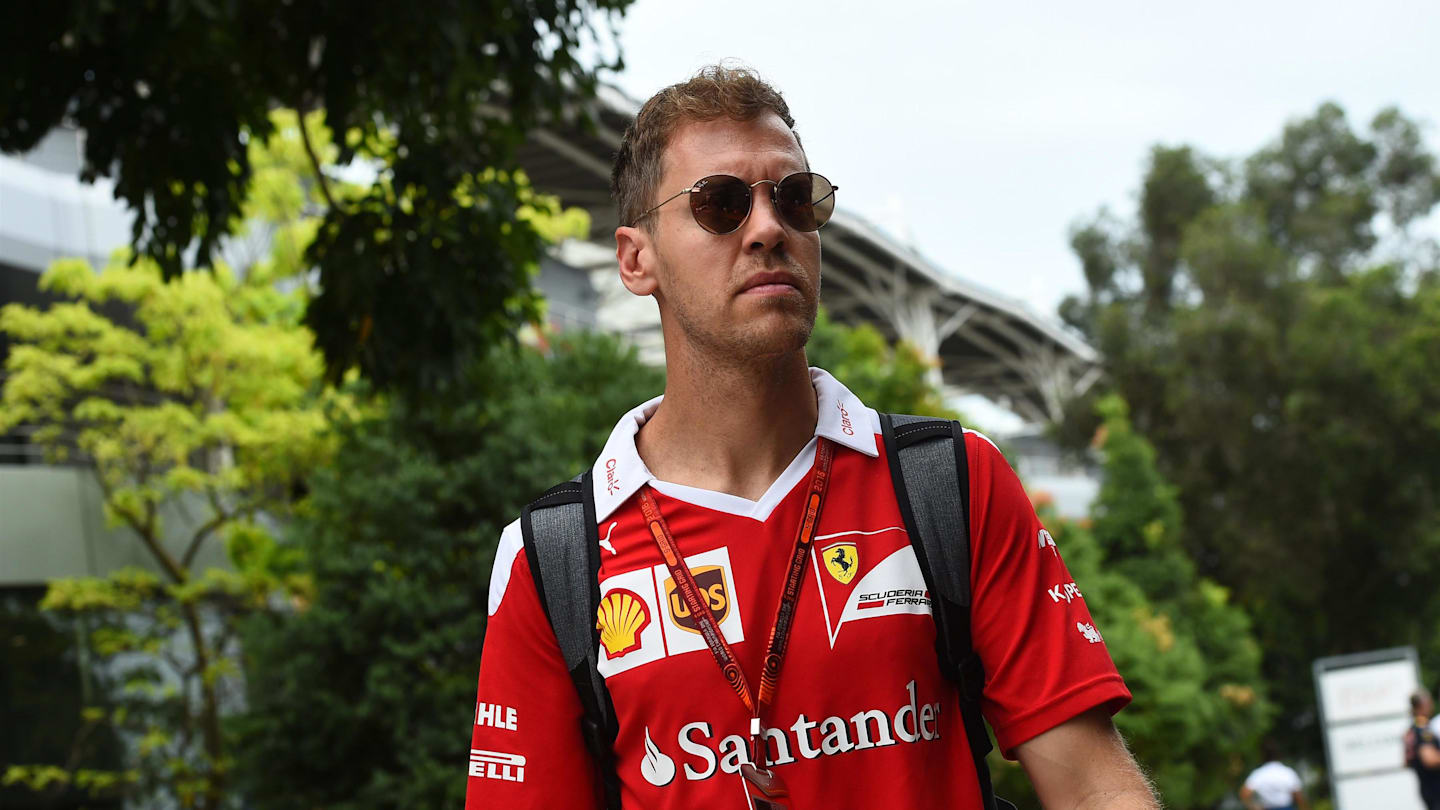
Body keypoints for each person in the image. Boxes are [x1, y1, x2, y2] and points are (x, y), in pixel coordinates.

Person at [464, 65, 1158, 809]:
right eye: (720, 204)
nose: (768, 228)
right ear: (636, 260)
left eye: (796, 198)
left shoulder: (953, 483)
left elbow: (1092, 789)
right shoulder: (552, 559)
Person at [1238, 739, 1308, 810]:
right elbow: (1298, 796)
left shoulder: (1258, 774)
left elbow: (1244, 794)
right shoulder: (1287, 772)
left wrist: (1254, 807)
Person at [1405, 689, 1440, 810]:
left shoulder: (1411, 730)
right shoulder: (1423, 730)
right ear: (1423, 705)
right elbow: (1429, 759)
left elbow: (1406, 762)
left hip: (1426, 786)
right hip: (1435, 787)